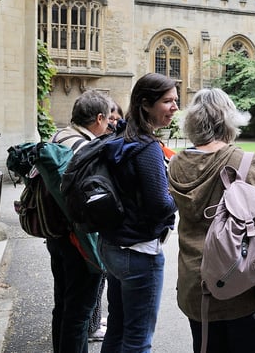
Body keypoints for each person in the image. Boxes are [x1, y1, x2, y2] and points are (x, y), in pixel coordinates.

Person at [167, 88, 255, 353]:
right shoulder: (244, 162)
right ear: (229, 119)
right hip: (241, 285)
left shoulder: (177, 164)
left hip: (195, 286)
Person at [97, 73, 178, 352]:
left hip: (112, 246)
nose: (175, 107)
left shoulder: (119, 136)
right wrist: (180, 193)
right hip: (140, 253)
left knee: (117, 329)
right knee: (138, 340)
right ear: (146, 103)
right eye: (167, 101)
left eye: (175, 101)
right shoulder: (147, 148)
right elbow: (160, 207)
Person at [48, 89, 110, 352]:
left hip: (56, 233)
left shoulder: (58, 136)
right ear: (98, 118)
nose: (108, 126)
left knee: (63, 305)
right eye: (107, 120)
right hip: (78, 240)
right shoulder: (84, 147)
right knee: (79, 313)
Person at [88, 99, 124, 343]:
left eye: (117, 119)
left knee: (101, 283)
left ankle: (95, 320)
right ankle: (92, 326)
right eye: (110, 119)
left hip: (98, 233)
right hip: (95, 231)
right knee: (93, 283)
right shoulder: (94, 146)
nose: (114, 124)